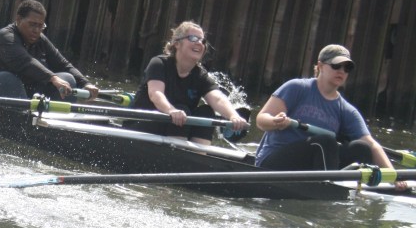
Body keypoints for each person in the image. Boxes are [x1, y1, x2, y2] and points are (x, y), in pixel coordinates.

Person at [255, 43, 407, 186]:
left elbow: (372, 145)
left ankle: (343, 188)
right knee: (325, 142)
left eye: (347, 68)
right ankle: (327, 190)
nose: (341, 71)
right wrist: (275, 121)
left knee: (361, 148)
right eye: (336, 65)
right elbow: (261, 119)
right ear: (320, 66)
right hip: (272, 163)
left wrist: (394, 177)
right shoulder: (297, 88)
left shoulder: (346, 110)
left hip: (311, 166)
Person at [131, 20, 249, 141]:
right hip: (143, 127)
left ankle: (199, 151)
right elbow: (156, 94)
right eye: (193, 38)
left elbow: (218, 99)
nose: (199, 43)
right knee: (183, 110)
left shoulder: (200, 75)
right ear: (177, 43)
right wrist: (172, 111)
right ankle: (177, 149)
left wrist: (233, 116)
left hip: (174, 128)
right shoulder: (159, 63)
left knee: (206, 112)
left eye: (202, 41)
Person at [0, 0, 98, 100]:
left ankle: (57, 119)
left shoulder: (40, 39)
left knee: (67, 78)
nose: (36, 30)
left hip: (20, 95)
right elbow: (26, 62)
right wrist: (53, 78)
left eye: (40, 26)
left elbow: (63, 64)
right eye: (32, 24)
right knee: (7, 78)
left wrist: (85, 83)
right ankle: (24, 118)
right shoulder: (5, 37)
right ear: (18, 19)